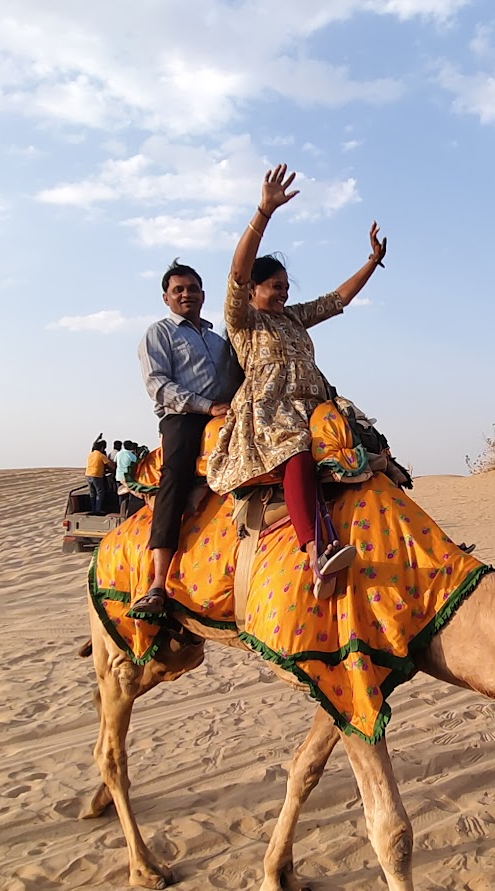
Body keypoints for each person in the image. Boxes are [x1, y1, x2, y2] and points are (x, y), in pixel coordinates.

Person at [204, 163, 386, 600]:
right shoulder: (243, 319)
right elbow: (237, 272)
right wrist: (263, 213)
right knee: (297, 456)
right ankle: (316, 553)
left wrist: (372, 263)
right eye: (274, 286)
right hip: (271, 410)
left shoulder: (292, 318)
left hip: (316, 405)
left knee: (374, 453)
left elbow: (336, 300)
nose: (283, 292)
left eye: (286, 286)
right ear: (252, 291)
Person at [133, 259, 237, 616]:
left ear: (203, 294)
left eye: (192, 288)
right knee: (174, 478)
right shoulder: (159, 333)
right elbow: (157, 385)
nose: (186, 294)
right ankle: (159, 582)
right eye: (178, 290)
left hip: (227, 413)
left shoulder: (217, 338)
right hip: (184, 418)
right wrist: (206, 407)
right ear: (166, 297)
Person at [85, 438, 111, 514]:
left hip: (88, 474)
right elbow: (110, 465)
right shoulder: (101, 455)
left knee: (92, 493)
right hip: (96, 475)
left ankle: (93, 509)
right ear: (102, 448)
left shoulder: (91, 454)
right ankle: (98, 509)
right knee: (100, 492)